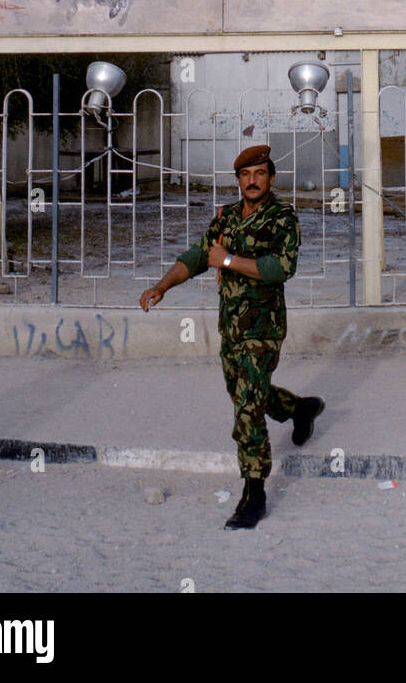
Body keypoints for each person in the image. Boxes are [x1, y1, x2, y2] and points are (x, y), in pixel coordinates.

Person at [139, 144, 324, 530]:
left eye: (259, 174)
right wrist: (161, 286)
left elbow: (280, 268)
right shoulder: (225, 217)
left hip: (263, 328)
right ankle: (298, 408)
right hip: (231, 327)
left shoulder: (282, 218)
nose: (252, 181)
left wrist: (227, 260)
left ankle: (254, 492)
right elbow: (196, 255)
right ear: (238, 180)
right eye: (245, 175)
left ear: (271, 178)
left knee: (247, 408)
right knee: (244, 392)